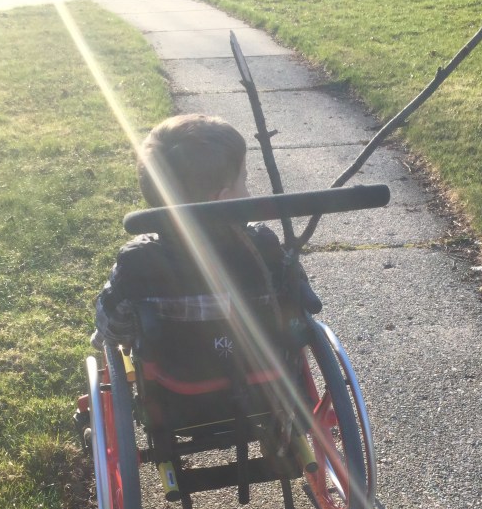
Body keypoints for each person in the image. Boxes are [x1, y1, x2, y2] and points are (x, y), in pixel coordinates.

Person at [91, 114, 321, 351]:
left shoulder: (139, 262)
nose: (249, 193)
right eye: (244, 181)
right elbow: (295, 292)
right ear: (223, 200)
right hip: (264, 364)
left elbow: (113, 328)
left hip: (177, 369)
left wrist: (103, 340)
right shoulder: (263, 245)